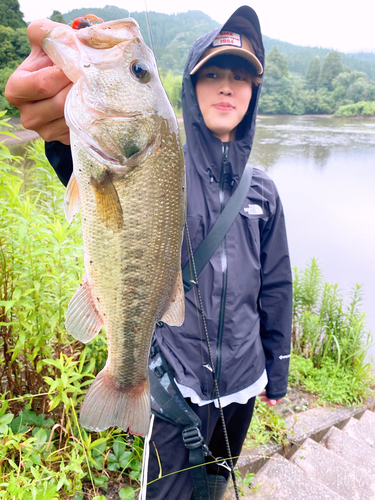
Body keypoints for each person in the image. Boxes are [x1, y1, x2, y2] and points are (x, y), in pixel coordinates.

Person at [5, 5, 292, 499]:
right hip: (174, 384)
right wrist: (63, 137)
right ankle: (126, 384)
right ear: (188, 86)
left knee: (218, 481)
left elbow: (277, 285)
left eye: (241, 77)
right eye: (214, 74)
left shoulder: (262, 189)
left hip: (244, 381)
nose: (227, 86)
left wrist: (277, 373)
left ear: (254, 92)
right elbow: (102, 178)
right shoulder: (164, 159)